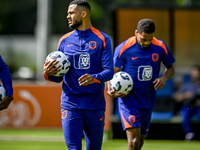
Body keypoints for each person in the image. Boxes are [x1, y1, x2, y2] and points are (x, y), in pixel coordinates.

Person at [43, 0, 114, 149]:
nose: (67, 16)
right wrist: (47, 74)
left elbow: (109, 72)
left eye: (71, 13)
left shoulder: (103, 39)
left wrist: (93, 78)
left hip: (94, 105)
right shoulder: (63, 41)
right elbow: (59, 76)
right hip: (70, 104)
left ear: (83, 13)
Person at [107, 18, 176, 150]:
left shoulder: (160, 47)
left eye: (149, 39)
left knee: (140, 142)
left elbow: (171, 68)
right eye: (143, 39)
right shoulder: (124, 48)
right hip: (129, 100)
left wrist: (163, 78)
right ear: (136, 33)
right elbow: (112, 72)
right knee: (133, 142)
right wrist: (111, 90)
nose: (146, 43)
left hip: (147, 100)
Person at [175, 64, 200, 141]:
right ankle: (189, 134)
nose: (194, 73)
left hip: (198, 107)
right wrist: (187, 95)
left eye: (196, 72)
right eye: (193, 72)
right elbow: (177, 98)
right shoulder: (186, 85)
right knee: (185, 116)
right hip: (188, 106)